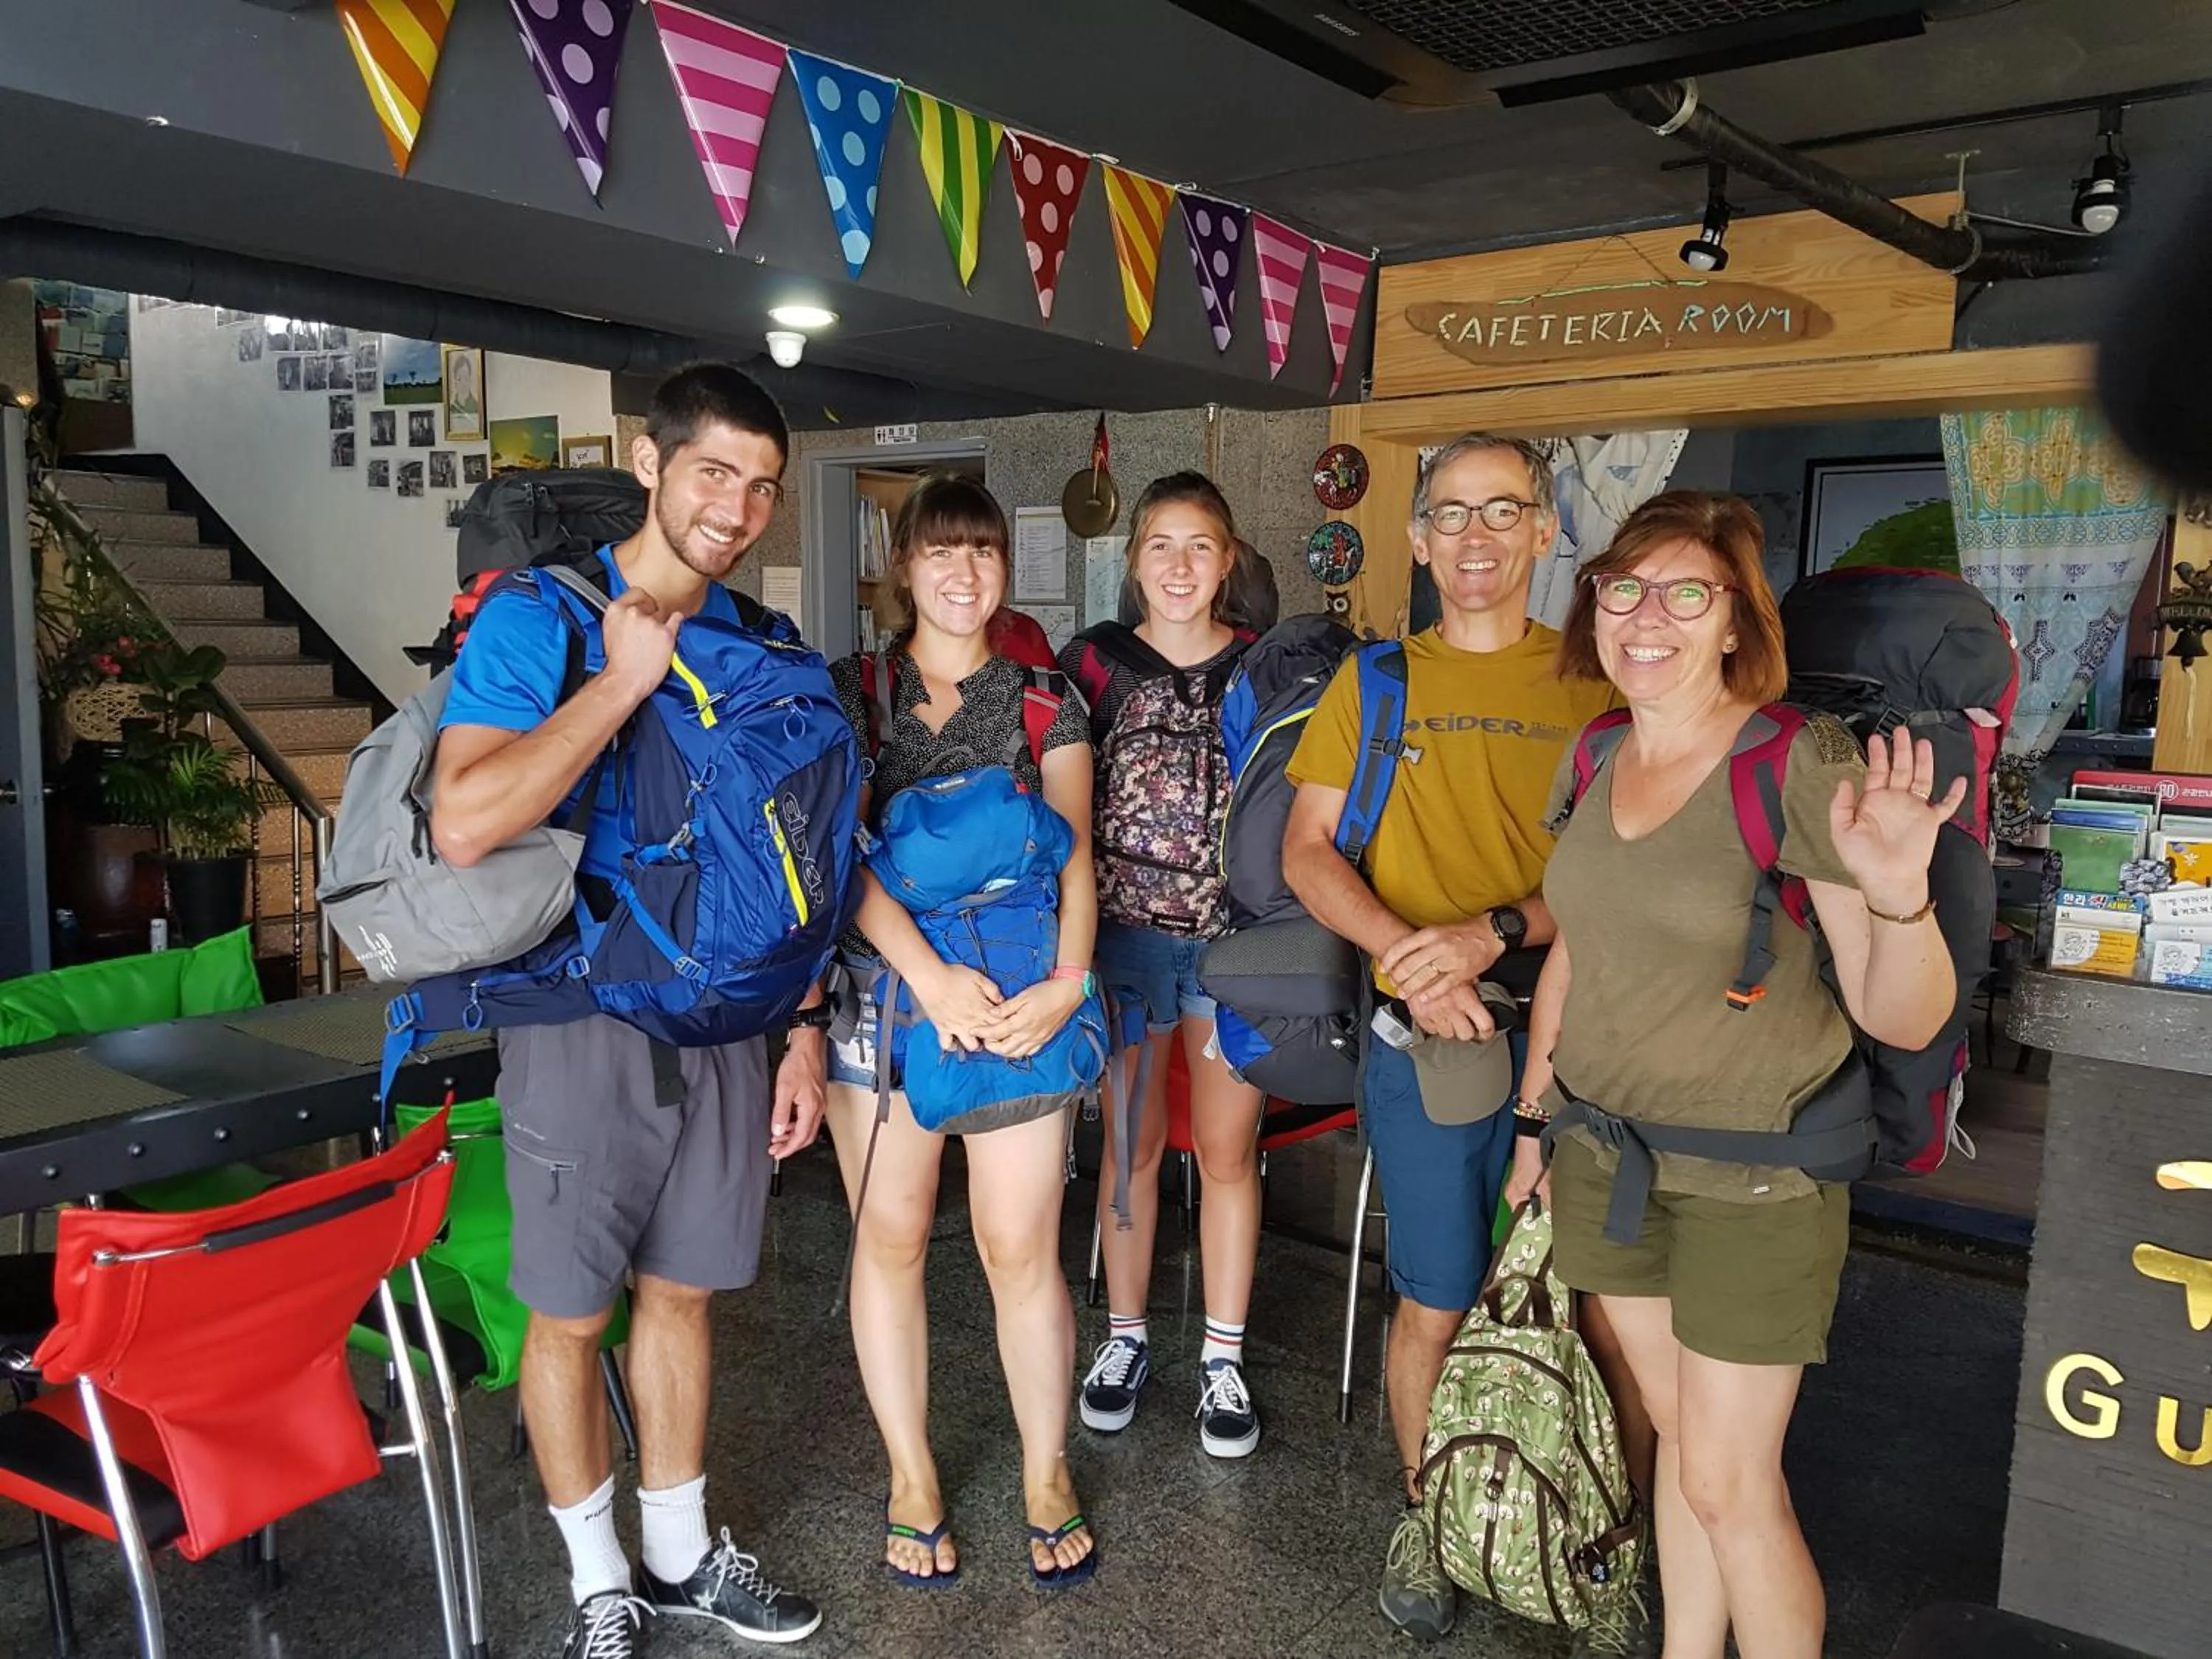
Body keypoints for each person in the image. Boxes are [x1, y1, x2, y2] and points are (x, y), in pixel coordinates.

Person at [1509, 490, 1964, 1659]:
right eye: (1624, 587)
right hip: (1607, 1156)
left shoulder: (1798, 762)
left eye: (1684, 592)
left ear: (1733, 623)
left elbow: (1901, 1010)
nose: (1646, 615)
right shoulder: (1599, 750)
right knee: (1679, 1442)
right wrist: (1533, 1118)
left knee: (1730, 1481)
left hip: (1755, 1181)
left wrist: (1902, 890)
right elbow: (1580, 951)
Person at [430, 363, 826, 1658]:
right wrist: (617, 683)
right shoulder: (543, 618)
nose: (738, 506)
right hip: (577, 1020)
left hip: (724, 1024)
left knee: (686, 1296)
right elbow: (468, 820)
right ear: (649, 464)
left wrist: (802, 1026)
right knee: (571, 1312)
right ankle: (599, 1577)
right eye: (714, 471)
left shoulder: (765, 643)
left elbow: (800, 854)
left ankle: (677, 1550)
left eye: (763, 485)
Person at [1280, 433, 1620, 1644]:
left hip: (1584, 1034)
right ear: (1416, 539)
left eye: (1504, 513)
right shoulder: (1374, 683)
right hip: (1427, 1040)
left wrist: (1492, 932)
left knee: (1594, 1304)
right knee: (1435, 1296)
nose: (1476, 538)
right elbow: (1307, 851)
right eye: (1453, 516)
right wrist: (1406, 956)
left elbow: (1624, 865)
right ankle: (1429, 1514)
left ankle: (1591, 1530)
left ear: (1543, 533)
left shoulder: (1601, 684)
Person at [822, 473, 1100, 1590]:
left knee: (1018, 1247)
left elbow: (1076, 852)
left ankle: (1046, 1470)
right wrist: (931, 978)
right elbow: (831, 856)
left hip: (1025, 995)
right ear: (905, 568)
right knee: (887, 1240)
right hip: (889, 1002)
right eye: (940, 551)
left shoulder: (1045, 698)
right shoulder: (851, 692)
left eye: (982, 550)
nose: (963, 570)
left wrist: (1071, 982)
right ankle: (911, 1475)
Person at [1062, 473, 1267, 1459]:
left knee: (1229, 1152)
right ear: (1133, 559)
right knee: (1133, 1149)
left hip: (1235, 947)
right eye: (1161, 545)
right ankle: (1127, 1337)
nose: (1180, 565)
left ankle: (1223, 1355)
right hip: (1128, 944)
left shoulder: (1271, 669)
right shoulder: (1095, 666)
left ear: (1228, 560)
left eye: (1200, 545)